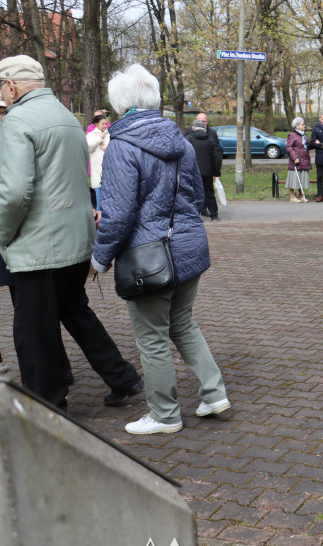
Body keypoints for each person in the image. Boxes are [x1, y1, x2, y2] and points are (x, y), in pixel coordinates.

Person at [0, 54, 143, 413]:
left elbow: (15, 192)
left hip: (39, 245)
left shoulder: (17, 121)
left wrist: (2, 235)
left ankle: (49, 409)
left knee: (33, 332)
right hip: (75, 238)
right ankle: (121, 376)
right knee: (75, 312)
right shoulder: (66, 117)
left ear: (12, 85)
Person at [91, 63, 229, 435]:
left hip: (148, 255)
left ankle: (165, 415)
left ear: (120, 104)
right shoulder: (181, 141)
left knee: (151, 337)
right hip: (189, 245)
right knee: (183, 323)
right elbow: (196, 197)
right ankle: (214, 393)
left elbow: (118, 215)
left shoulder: (121, 147)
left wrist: (99, 258)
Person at [184, 116, 223, 221]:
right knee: (209, 193)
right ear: (204, 128)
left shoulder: (188, 140)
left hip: (192, 171)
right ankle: (214, 215)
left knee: (192, 193)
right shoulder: (210, 141)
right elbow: (216, 157)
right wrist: (216, 172)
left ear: (193, 128)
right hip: (207, 171)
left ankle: (193, 215)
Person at [86, 114, 110, 210]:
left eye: (106, 123)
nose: (105, 125)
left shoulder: (109, 134)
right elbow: (88, 147)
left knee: (108, 190)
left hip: (109, 166)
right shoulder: (91, 135)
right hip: (97, 167)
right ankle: (99, 212)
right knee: (97, 189)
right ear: (96, 124)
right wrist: (99, 138)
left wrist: (106, 148)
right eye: (102, 124)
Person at [286, 117, 311, 203]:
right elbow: (289, 147)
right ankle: (292, 197)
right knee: (293, 178)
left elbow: (308, 145)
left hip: (304, 159)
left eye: (304, 124)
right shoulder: (292, 135)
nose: (304, 125)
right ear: (297, 126)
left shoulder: (304, 135)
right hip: (296, 160)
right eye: (302, 124)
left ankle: (301, 196)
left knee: (302, 178)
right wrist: (294, 157)